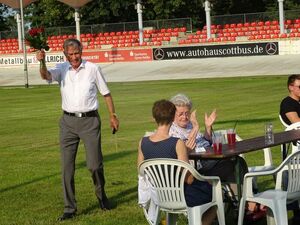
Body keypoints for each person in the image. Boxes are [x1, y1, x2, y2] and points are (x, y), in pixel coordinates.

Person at [36, 38, 119, 221]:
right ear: (65, 54)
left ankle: (102, 197)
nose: (75, 57)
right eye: (71, 54)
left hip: (90, 122)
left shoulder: (93, 68)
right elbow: (46, 76)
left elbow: (106, 93)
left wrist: (113, 115)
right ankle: (69, 208)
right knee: (67, 168)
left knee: (94, 165)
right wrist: (42, 61)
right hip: (67, 123)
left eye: (77, 53)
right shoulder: (61, 68)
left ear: (81, 51)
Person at [137, 99, 216, 225]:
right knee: (217, 195)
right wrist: (187, 152)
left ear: (154, 118)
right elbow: (189, 179)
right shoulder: (177, 143)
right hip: (181, 196)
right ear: (173, 117)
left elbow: (141, 170)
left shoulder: (142, 142)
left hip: (159, 196)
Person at [280, 74, 300, 225]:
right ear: (291, 87)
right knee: (288, 173)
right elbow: (296, 123)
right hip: (296, 143)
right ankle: (295, 213)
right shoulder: (287, 103)